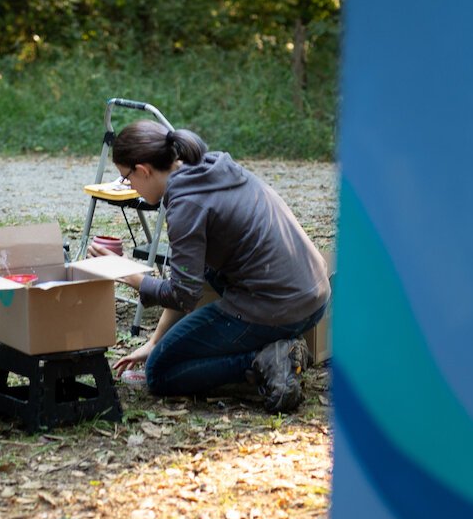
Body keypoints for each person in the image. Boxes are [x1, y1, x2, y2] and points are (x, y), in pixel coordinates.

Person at [100, 121, 330, 412]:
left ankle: (263, 360)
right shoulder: (208, 168)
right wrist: (155, 341)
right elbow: (189, 276)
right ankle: (272, 344)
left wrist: (127, 274)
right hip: (312, 293)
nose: (128, 185)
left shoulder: (186, 204)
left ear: (143, 169)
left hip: (280, 305)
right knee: (199, 279)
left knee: (159, 373)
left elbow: (184, 294)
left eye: (126, 177)